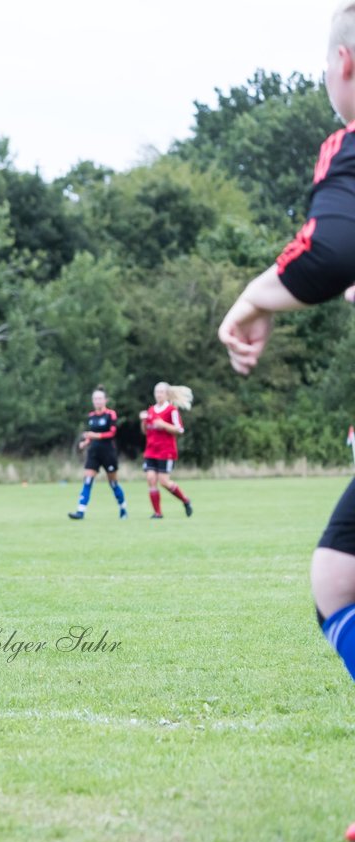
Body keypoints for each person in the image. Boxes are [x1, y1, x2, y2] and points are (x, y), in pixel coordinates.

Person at [218, 1, 355, 684]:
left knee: (338, 579)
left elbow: (325, 253)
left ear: (344, 63)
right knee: (342, 569)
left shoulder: (350, 142)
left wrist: (251, 300)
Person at [68, 387, 127, 520]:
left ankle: (123, 508)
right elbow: (91, 434)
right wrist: (86, 442)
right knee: (88, 480)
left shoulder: (111, 414)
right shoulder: (91, 416)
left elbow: (111, 433)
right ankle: (80, 511)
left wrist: (94, 435)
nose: (97, 401)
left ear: (105, 400)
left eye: (100, 398)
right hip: (94, 452)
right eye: (95, 399)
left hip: (108, 452)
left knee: (113, 483)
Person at [139, 383, 193, 519]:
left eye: (161, 392)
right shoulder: (151, 410)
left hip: (166, 451)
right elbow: (145, 431)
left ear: (167, 394)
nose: (158, 394)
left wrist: (163, 425)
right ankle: (157, 513)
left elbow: (179, 429)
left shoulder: (171, 410)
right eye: (156, 392)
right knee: (150, 479)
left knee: (163, 482)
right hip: (151, 451)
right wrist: (143, 421)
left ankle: (185, 500)